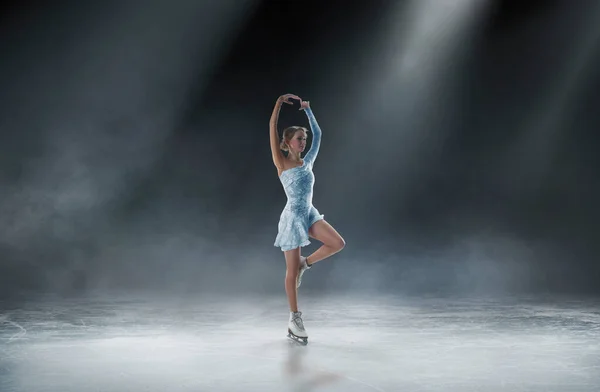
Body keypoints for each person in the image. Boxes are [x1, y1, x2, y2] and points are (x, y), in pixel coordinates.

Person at [269, 93, 346, 344]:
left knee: (337, 243)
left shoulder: (308, 161)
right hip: (292, 217)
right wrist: (278, 105)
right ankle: (294, 317)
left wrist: (308, 111)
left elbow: (320, 135)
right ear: (288, 142)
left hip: (309, 213)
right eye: (299, 138)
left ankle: (306, 263)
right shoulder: (280, 163)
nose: (304, 142)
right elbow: (272, 127)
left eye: (304, 138)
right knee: (290, 272)